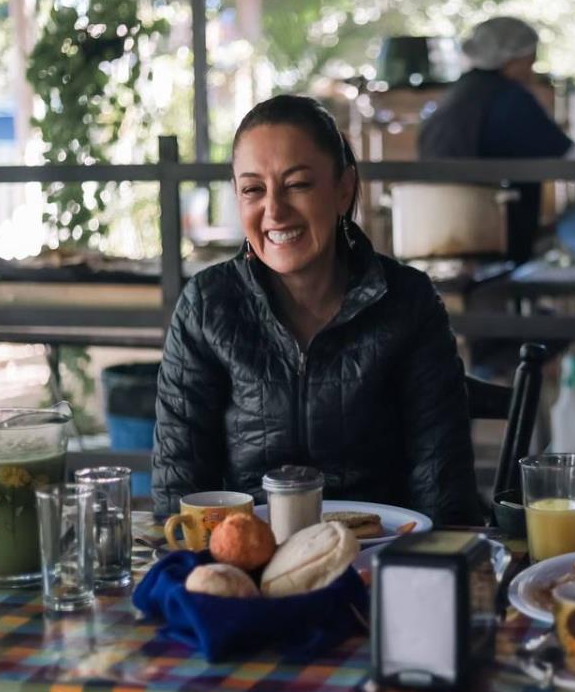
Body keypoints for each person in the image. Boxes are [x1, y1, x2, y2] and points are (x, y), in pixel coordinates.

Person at [152, 95, 485, 526]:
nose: (274, 210)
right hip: (251, 567)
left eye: (298, 184)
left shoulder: (408, 302)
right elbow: (179, 494)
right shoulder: (207, 305)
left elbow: (443, 492)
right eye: (254, 189)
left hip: (380, 561)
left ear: (343, 189)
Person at [418, 16, 575, 263]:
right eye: (530, 62)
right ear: (513, 60)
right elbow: (572, 160)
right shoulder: (510, 98)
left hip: (443, 234)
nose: (531, 71)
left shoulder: (456, 95)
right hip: (492, 236)